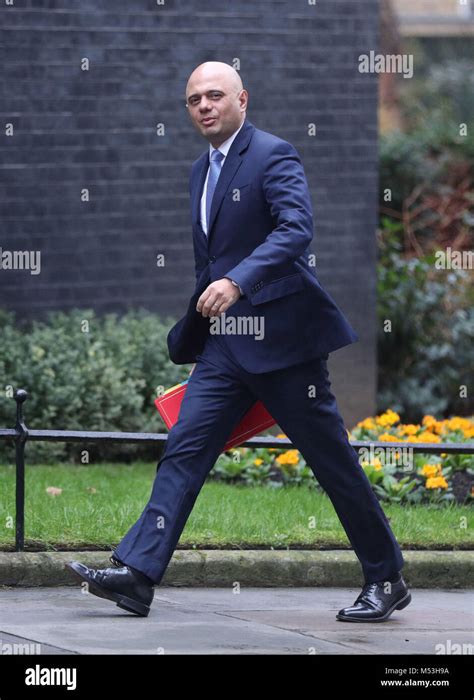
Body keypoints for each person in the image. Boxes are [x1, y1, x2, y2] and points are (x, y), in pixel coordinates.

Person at [66, 62, 411, 622]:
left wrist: (237, 281)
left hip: (284, 343)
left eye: (215, 96)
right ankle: (137, 574)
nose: (204, 106)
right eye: (194, 99)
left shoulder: (274, 154)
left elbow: (295, 229)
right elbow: (211, 260)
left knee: (331, 461)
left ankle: (386, 577)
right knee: (184, 450)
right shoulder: (199, 171)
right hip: (224, 345)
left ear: (242, 100)